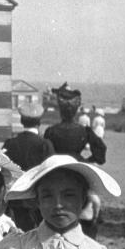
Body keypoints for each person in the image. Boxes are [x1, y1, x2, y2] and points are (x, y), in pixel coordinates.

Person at [45, 83, 105, 239]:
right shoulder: (84, 131)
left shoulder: (51, 131)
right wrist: (84, 160)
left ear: (60, 109)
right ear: (77, 109)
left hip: (57, 173)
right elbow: (101, 153)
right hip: (79, 173)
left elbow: (46, 157)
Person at [3, 102, 55, 231]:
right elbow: (52, 172)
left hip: (17, 199)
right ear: (39, 122)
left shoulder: (10, 143)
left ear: (21, 121)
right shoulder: (45, 144)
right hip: (39, 199)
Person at [44, 83, 106, 164]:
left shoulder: (51, 131)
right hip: (77, 166)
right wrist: (86, 161)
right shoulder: (85, 131)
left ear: (61, 111)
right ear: (75, 111)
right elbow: (101, 150)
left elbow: (44, 154)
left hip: (57, 167)